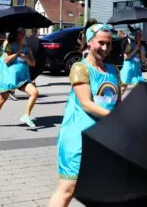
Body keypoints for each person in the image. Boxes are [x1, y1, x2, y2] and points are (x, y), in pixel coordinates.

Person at [48, 22, 121, 207]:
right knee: (68, 188)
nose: (105, 48)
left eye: (109, 44)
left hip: (104, 138)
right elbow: (87, 104)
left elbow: (116, 104)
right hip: (79, 137)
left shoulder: (113, 70)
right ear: (90, 42)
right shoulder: (80, 68)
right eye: (101, 43)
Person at [0, 28, 39, 129]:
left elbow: (33, 63)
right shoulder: (10, 45)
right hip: (9, 78)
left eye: (23, 34)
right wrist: (18, 52)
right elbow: (6, 60)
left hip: (22, 78)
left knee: (35, 93)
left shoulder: (27, 48)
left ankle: (26, 116)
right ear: (16, 35)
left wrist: (26, 58)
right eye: (20, 34)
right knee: (2, 99)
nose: (22, 36)